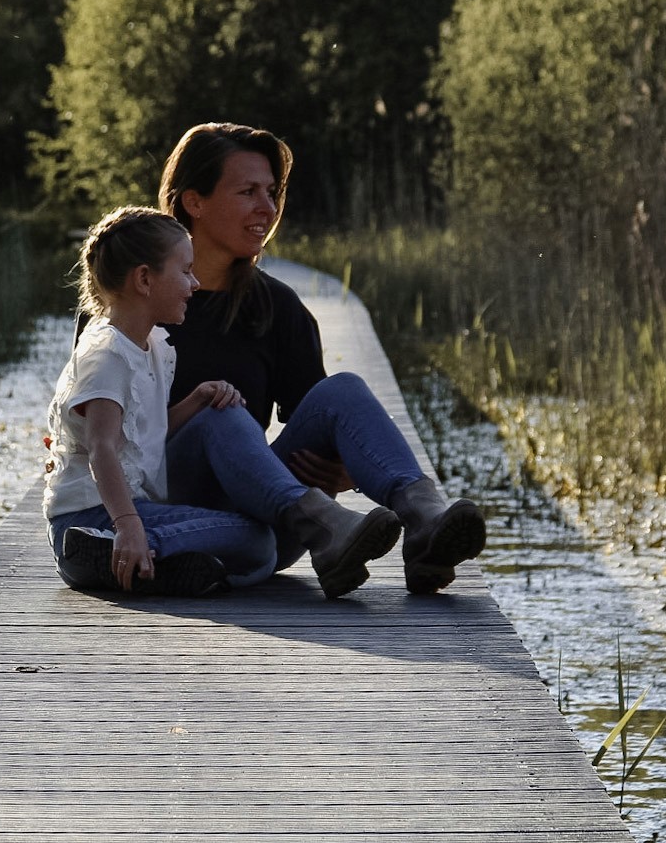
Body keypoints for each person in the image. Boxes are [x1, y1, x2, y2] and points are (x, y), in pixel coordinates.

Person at [159, 122, 488, 595]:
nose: (267, 208)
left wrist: (345, 468)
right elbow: (100, 429)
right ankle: (325, 525)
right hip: (168, 519)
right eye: (247, 191)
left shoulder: (277, 307)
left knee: (343, 391)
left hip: (268, 515)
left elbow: (322, 424)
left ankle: (425, 525)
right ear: (194, 201)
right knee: (219, 414)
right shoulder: (134, 301)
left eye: (272, 192)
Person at [44, 206, 402, 598]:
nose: (195, 283)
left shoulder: (154, 347)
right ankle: (101, 554)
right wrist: (128, 524)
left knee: (259, 543)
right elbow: (102, 448)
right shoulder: (106, 353)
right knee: (257, 543)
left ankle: (166, 569)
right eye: (185, 271)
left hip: (135, 510)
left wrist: (196, 401)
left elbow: (143, 433)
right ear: (144, 279)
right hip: (93, 518)